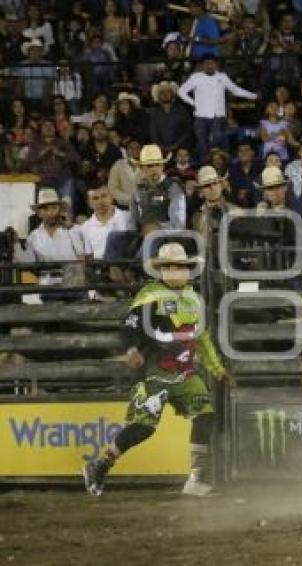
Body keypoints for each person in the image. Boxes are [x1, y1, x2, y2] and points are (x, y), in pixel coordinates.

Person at [83, 242, 233, 498]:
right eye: (170, 267)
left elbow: (202, 337)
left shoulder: (193, 299)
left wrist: (217, 369)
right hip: (154, 372)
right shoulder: (150, 296)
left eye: (181, 267)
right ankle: (100, 464)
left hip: (185, 372)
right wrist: (131, 350)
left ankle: (196, 479)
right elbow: (129, 327)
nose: (176, 272)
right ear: (162, 271)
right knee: (143, 428)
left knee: (205, 414)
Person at [178, 54, 259, 161]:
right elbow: (181, 91)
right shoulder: (195, 78)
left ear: (216, 65)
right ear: (202, 65)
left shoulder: (222, 77)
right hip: (201, 117)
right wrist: (193, 103)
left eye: (212, 63)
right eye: (207, 64)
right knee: (202, 145)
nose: (209, 66)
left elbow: (235, 90)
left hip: (218, 117)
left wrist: (253, 95)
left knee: (218, 142)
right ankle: (205, 167)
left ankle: (221, 166)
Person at [23, 120, 80, 217]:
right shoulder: (35, 144)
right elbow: (28, 162)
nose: (49, 128)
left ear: (55, 129)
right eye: (46, 125)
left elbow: (76, 159)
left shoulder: (63, 142)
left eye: (51, 126)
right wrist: (42, 153)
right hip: (43, 180)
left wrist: (60, 153)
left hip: (64, 179)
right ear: (40, 129)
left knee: (67, 208)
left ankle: (67, 225)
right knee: (46, 211)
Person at [131, 144, 186, 231]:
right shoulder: (138, 191)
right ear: (142, 168)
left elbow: (178, 225)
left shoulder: (172, 188)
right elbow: (134, 221)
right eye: (149, 166)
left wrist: (157, 229)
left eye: (157, 165)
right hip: (143, 237)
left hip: (167, 239)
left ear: (162, 166)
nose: (154, 169)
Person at [78, 184, 135, 259]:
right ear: (89, 203)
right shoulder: (85, 227)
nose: (100, 201)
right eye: (95, 198)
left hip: (125, 264)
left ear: (111, 197)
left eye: (104, 196)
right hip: (99, 267)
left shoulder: (128, 217)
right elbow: (89, 255)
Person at [193, 165, 240, 238]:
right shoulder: (196, 217)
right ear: (200, 192)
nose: (212, 187)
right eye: (207, 185)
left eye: (215, 183)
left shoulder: (236, 211)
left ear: (221, 186)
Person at [149, 81, 193, 155]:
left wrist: (175, 146)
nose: (165, 95)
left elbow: (187, 132)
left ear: (173, 94)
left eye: (168, 92)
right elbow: (153, 133)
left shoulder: (182, 110)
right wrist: (161, 147)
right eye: (162, 92)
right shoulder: (153, 112)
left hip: (180, 151)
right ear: (158, 95)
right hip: (159, 151)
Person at [108, 138, 142, 207]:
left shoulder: (148, 166)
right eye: (131, 148)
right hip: (123, 207)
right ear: (126, 151)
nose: (135, 150)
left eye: (137, 148)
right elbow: (112, 188)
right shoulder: (118, 165)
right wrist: (131, 199)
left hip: (145, 206)